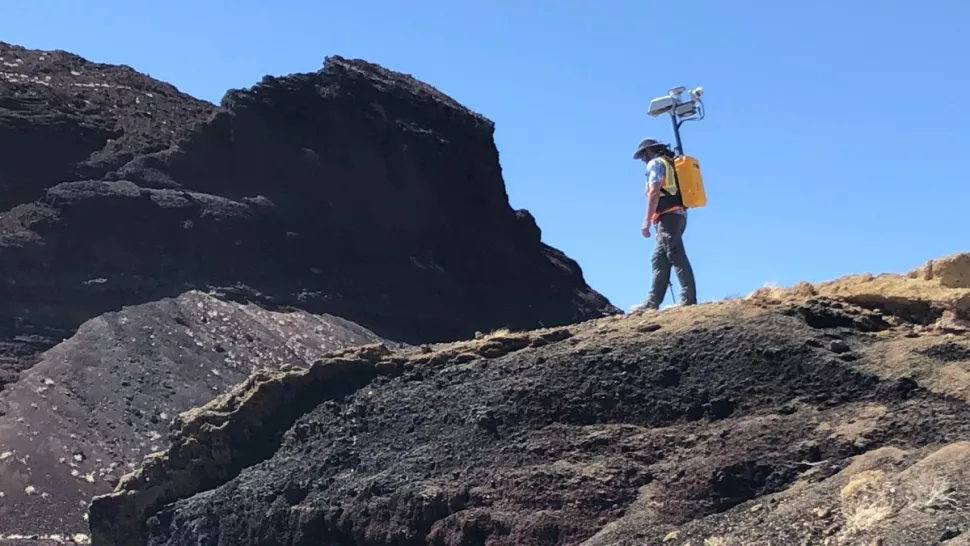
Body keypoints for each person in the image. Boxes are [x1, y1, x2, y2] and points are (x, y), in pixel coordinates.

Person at [631, 137, 697, 311]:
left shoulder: (655, 164)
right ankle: (652, 302)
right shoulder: (669, 162)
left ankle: (688, 299)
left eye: (642, 155)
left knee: (675, 255)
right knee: (659, 258)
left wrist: (646, 220)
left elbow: (654, 190)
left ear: (648, 151)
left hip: (668, 217)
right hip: (678, 215)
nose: (642, 159)